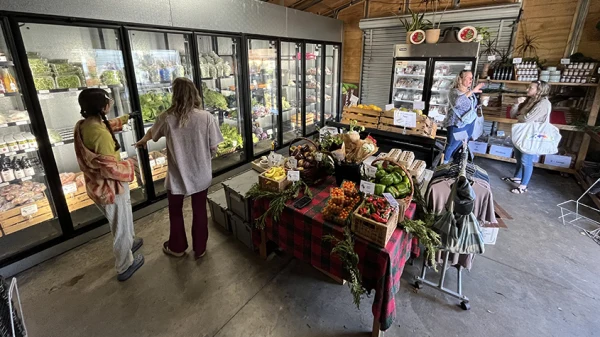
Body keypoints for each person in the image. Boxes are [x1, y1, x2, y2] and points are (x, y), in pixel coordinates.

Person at [135, 77, 223, 259]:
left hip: (177, 176)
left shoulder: (166, 117)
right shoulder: (206, 117)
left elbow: (153, 133)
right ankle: (200, 249)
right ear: (194, 94)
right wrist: (206, 156)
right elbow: (214, 146)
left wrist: (144, 140)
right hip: (201, 173)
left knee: (175, 212)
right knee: (199, 211)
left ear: (174, 95)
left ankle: (177, 247)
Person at [74, 88, 144, 282]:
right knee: (120, 226)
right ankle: (124, 265)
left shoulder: (85, 124)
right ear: (103, 107)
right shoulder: (99, 134)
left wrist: (126, 118)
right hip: (110, 188)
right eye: (108, 101)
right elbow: (110, 169)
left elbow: (106, 126)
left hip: (97, 184)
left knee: (124, 218)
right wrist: (129, 163)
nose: (110, 103)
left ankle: (130, 243)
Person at [502, 80, 552, 194]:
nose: (527, 89)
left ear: (539, 90)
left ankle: (523, 186)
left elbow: (527, 119)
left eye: (531, 88)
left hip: (531, 136)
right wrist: (516, 103)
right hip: (522, 133)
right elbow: (513, 115)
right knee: (519, 157)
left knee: (526, 160)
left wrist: (522, 116)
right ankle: (517, 177)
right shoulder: (529, 100)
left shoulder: (544, 103)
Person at [442, 70, 485, 163]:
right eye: (468, 78)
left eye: (472, 78)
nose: (471, 80)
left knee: (461, 144)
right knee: (452, 145)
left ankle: (453, 163)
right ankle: (443, 164)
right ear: (460, 79)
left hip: (468, 124)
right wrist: (473, 91)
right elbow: (458, 102)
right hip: (458, 124)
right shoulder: (454, 91)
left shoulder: (469, 91)